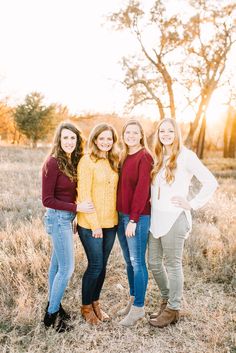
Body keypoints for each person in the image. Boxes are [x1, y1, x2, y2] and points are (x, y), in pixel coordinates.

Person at [148, 118, 218, 328]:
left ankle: (173, 308)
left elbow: (210, 182)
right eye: (162, 131)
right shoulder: (159, 156)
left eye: (170, 131)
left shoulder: (187, 156)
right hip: (156, 217)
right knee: (153, 262)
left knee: (172, 264)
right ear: (158, 134)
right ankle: (167, 299)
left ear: (177, 133)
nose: (166, 134)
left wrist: (192, 203)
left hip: (175, 217)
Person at [42, 121, 95, 332]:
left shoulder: (73, 161)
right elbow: (47, 200)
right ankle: (51, 315)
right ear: (59, 139)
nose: (69, 141)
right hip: (56, 218)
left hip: (66, 218)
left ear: (77, 140)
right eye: (65, 137)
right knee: (67, 268)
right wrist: (76, 207)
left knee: (56, 266)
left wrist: (74, 213)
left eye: (73, 138)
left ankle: (53, 304)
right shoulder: (52, 162)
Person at [77, 123, 119, 325]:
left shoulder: (113, 161)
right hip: (90, 224)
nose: (105, 142)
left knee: (103, 266)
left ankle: (96, 304)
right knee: (95, 266)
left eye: (109, 138)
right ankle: (85, 307)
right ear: (94, 140)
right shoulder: (87, 161)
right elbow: (83, 195)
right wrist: (94, 225)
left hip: (111, 223)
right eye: (101, 138)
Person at [116, 119, 153, 326]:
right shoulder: (123, 156)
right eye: (127, 132)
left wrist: (133, 219)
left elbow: (142, 191)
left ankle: (139, 307)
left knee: (138, 262)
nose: (130, 135)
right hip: (122, 216)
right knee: (129, 261)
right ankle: (132, 299)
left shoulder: (144, 157)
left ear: (141, 135)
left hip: (136, 217)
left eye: (135, 132)